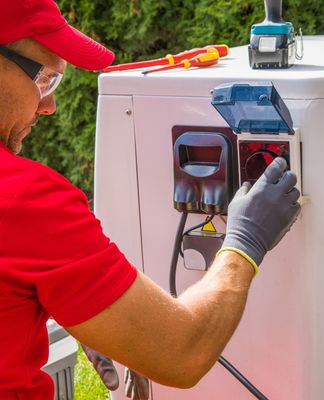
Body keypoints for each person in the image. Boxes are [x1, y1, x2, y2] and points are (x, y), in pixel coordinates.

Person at [0, 1, 301, 399]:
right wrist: (245, 242)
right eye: (45, 81)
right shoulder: (26, 198)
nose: (50, 106)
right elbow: (182, 351)